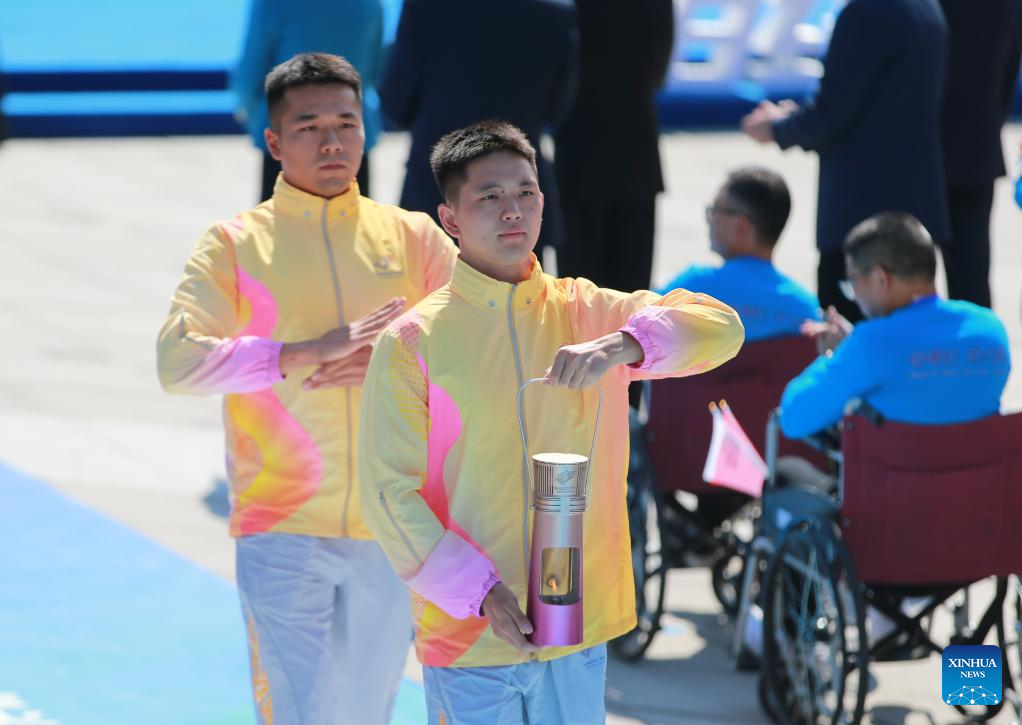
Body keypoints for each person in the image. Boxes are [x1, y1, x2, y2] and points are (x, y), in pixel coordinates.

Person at [358, 121, 744, 723]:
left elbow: (723, 330)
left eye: (527, 191)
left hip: (575, 625)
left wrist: (625, 345)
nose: (513, 210)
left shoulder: (588, 310)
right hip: (470, 637)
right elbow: (387, 493)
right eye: (490, 195)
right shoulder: (414, 341)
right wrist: (478, 592)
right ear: (450, 219)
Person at [157, 53, 459, 725]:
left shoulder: (413, 237)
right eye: (309, 125)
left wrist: (392, 360)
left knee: (364, 713)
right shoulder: (235, 245)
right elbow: (178, 360)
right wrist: (302, 353)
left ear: (368, 130)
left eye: (346, 122)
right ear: (273, 142)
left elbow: (484, 345)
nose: (331, 141)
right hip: (282, 526)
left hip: (393, 523)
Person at [741, 0, 951, 324]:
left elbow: (832, 114)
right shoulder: (927, 8)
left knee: (848, 342)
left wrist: (776, 127)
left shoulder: (866, 13)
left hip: (861, 219)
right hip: (914, 212)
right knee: (910, 339)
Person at [780, 211, 1010, 442]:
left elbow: (792, 417)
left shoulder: (869, 344)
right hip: (977, 476)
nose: (855, 296)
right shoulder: (990, 329)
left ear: (881, 278)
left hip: (895, 477)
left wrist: (837, 356)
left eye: (853, 282)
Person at [379, 0, 578, 256]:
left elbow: (396, 103)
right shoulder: (555, 12)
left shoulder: (425, 7)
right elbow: (557, 109)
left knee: (430, 292)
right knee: (520, 294)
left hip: (439, 190)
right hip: (519, 200)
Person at [554, 0, 674, 293]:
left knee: (576, 304)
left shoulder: (564, 7)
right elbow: (658, 74)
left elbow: (551, 80)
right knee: (632, 302)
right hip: (635, 154)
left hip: (579, 155)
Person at [232, 0, 386, 201]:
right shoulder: (370, 3)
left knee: (279, 229)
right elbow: (376, 68)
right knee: (359, 228)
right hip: (351, 135)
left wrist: (260, 117)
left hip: (290, 136)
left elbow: (250, 72)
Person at [658, 166, 820, 341]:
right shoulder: (805, 309)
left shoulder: (692, 289)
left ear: (741, 225)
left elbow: (639, 328)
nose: (709, 219)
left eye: (715, 210)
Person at [937, 0, 1022, 308]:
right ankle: (977, 354)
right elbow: (1008, 76)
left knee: (899, 283)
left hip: (919, 152)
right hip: (977, 148)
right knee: (972, 284)